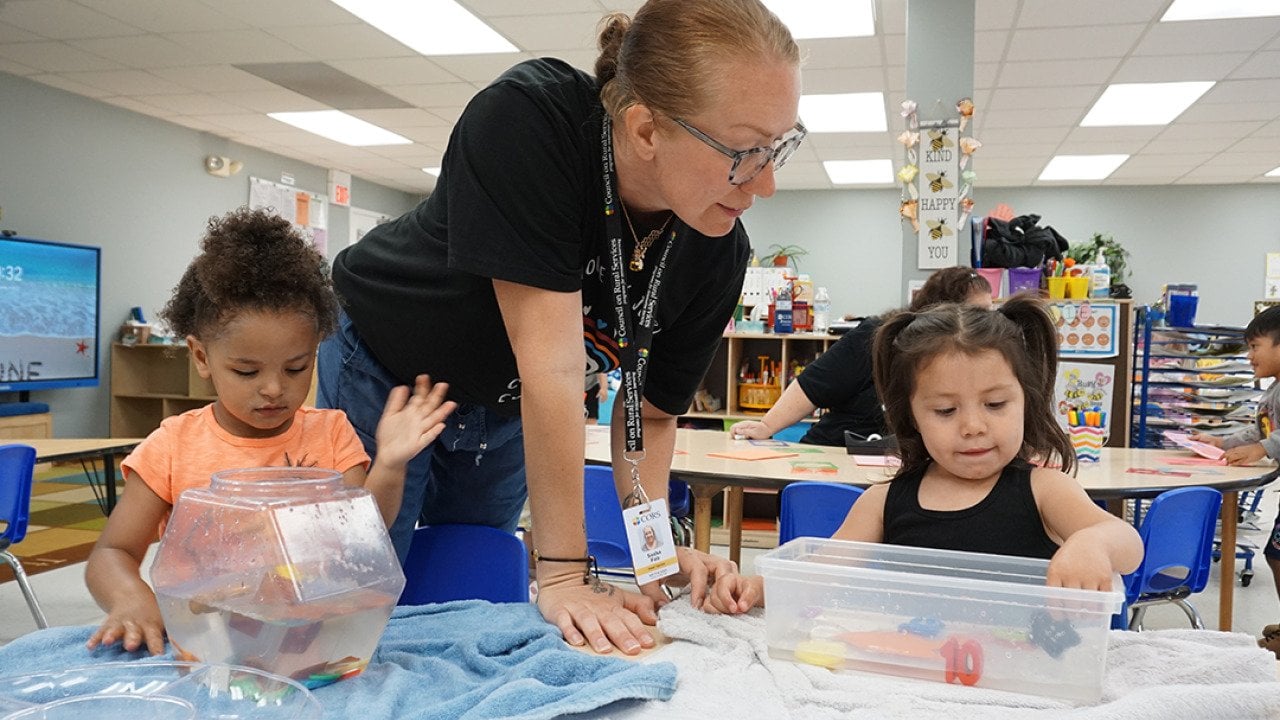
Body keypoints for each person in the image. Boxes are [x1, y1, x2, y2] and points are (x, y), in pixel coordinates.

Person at [318, 0, 802, 655]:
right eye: (745, 153)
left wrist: (656, 559)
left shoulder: (716, 248)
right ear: (646, 130)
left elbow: (649, 417)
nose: (767, 184)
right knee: (356, 595)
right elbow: (553, 369)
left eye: (780, 147)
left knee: (465, 594)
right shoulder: (530, 121)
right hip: (392, 370)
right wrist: (565, 573)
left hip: (506, 402)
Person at [84, 208, 455, 655]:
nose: (274, 389)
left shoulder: (332, 433)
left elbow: (363, 535)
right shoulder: (171, 446)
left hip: (314, 640)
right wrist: (132, 600)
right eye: (246, 371)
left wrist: (392, 462)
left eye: (296, 367)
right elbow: (112, 553)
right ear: (201, 357)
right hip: (210, 643)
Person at [710, 296, 1144, 612]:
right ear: (912, 416)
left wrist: (1092, 543)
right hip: (916, 679)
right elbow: (822, 571)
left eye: (995, 405)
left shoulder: (1046, 490)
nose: (973, 425)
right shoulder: (884, 502)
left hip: (1019, 679)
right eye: (945, 410)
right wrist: (755, 588)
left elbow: (1130, 545)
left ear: (1026, 401)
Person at [729, 267, 993, 446]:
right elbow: (811, 386)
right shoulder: (878, 336)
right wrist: (766, 427)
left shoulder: (973, 361)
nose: (986, 324)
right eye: (977, 314)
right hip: (836, 458)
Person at [1187, 306, 1280, 653]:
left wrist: (1263, 448)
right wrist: (1223, 442)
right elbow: (1260, 429)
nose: (1249, 355)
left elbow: (1268, 437)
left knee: (1278, 556)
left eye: (1255, 346)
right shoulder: (1273, 391)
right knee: (1276, 555)